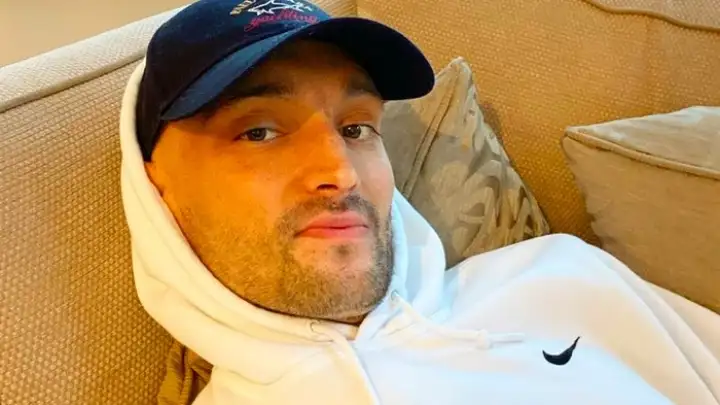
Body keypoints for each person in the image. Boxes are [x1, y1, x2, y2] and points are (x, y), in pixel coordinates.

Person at [119, 0, 720, 404]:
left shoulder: (563, 273)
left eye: (356, 128)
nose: (340, 174)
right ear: (156, 187)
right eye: (259, 132)